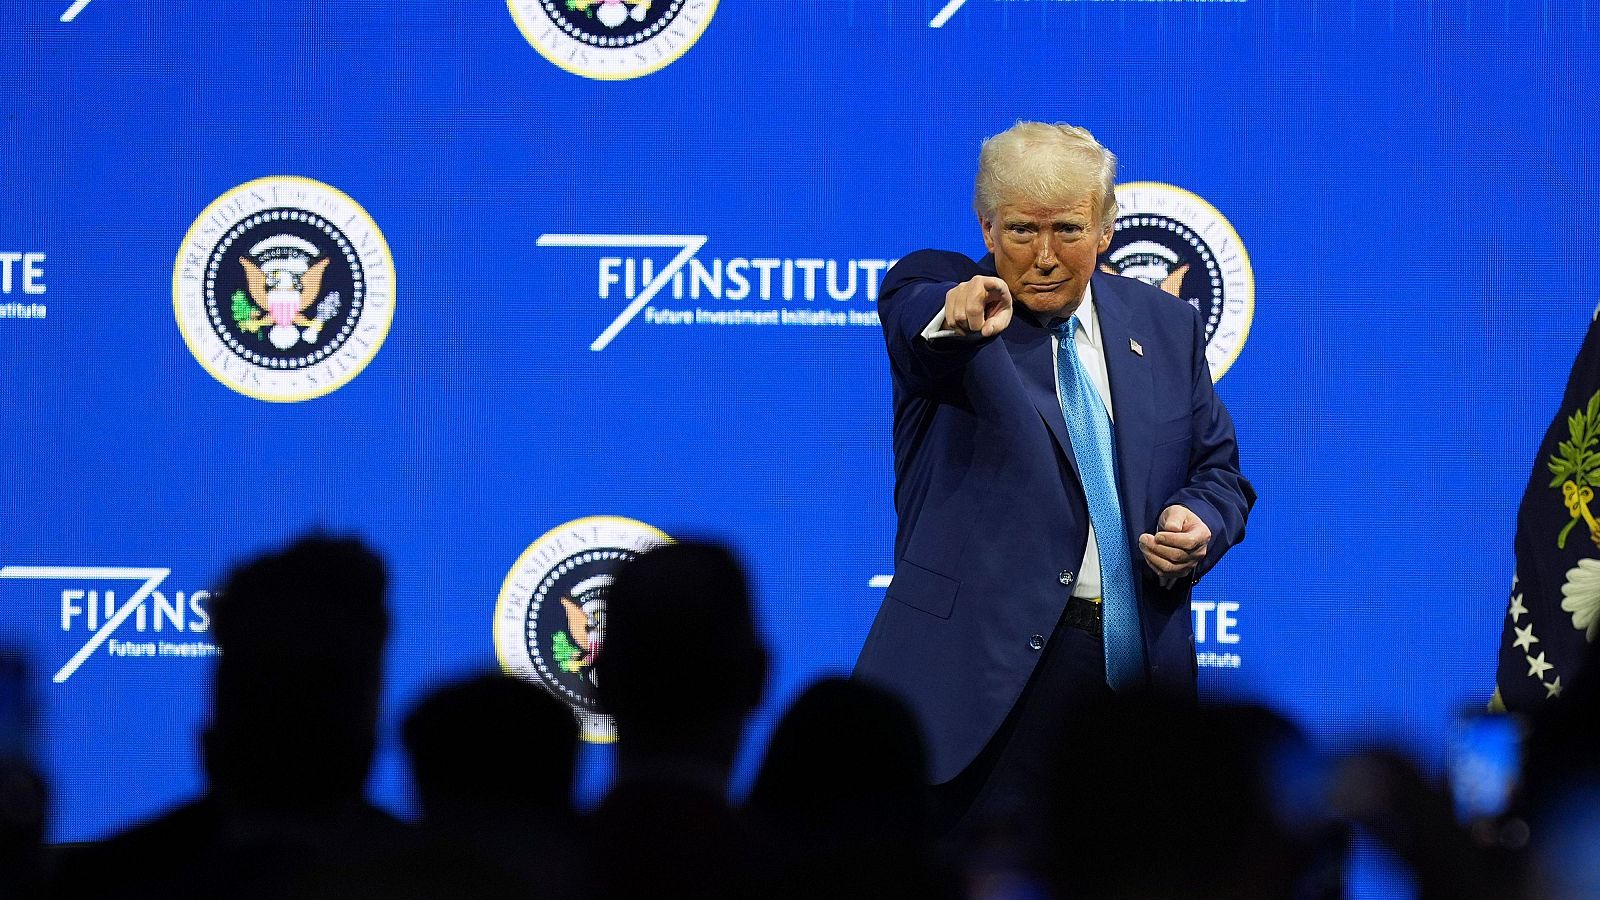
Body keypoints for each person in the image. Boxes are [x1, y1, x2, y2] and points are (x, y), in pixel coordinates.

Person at [852, 121, 1256, 832]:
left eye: (1067, 229)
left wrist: (1201, 520)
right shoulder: (948, 296)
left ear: (1105, 228)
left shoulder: (1166, 326)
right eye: (1019, 231)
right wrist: (953, 316)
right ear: (987, 225)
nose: (1042, 257)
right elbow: (919, 322)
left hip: (1134, 684)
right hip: (985, 685)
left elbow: (1217, 470)